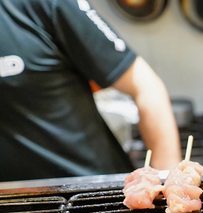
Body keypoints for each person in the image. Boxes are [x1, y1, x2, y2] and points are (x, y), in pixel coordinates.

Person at [0, 0, 181, 181]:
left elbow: (145, 85)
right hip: (12, 196)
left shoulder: (43, 4)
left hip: (92, 188)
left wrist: (169, 182)